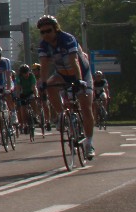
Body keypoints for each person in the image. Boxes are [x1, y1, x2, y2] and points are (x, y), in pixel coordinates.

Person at [35, 14, 96, 159]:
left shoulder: (67, 39)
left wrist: (79, 80)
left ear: (56, 29)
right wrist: (42, 82)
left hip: (81, 73)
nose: (46, 34)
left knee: (86, 107)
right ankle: (61, 115)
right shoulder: (43, 45)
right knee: (49, 86)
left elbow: (74, 61)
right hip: (62, 73)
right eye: (42, 32)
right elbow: (44, 64)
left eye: (48, 31)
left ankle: (89, 143)